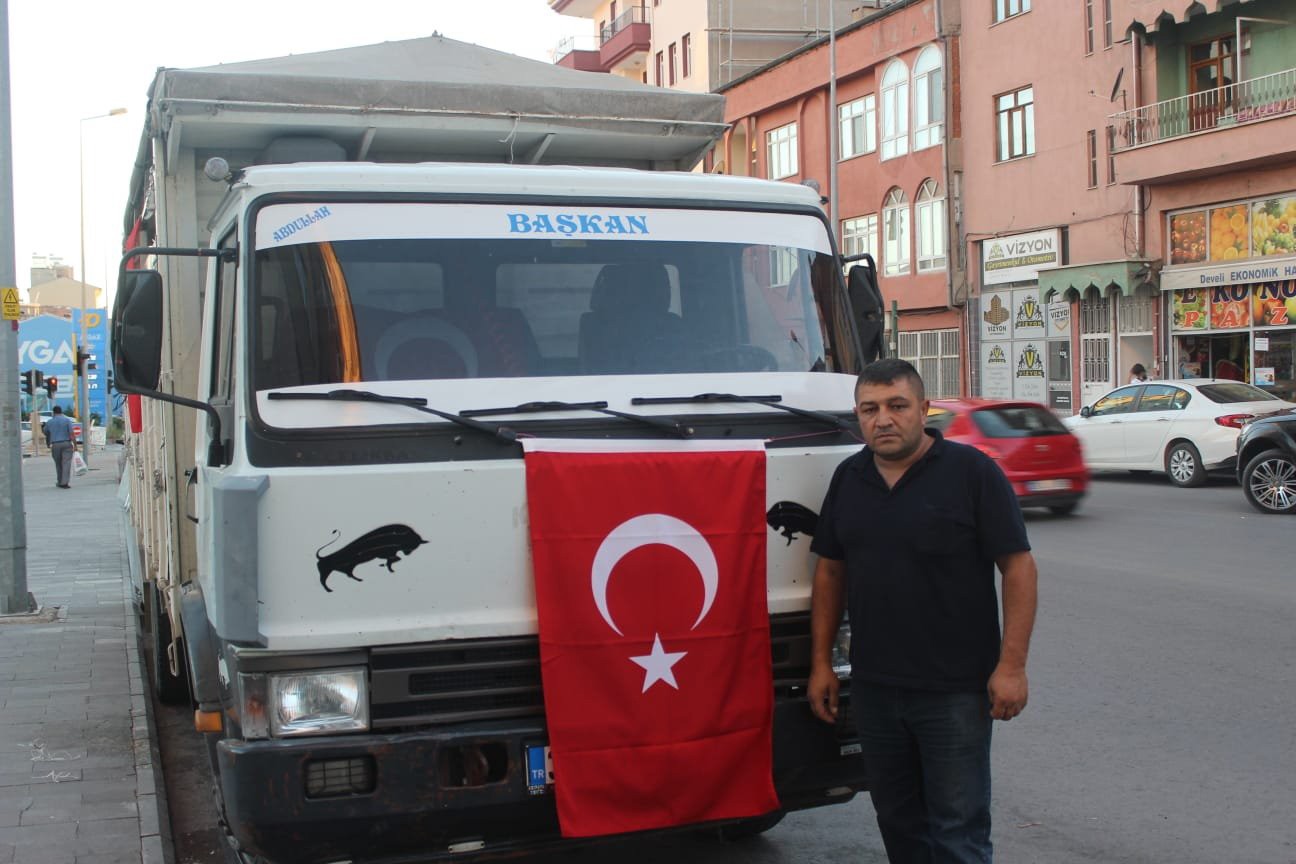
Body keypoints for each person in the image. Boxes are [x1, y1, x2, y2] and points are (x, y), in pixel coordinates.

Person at [807, 358, 1038, 864]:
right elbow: (829, 572)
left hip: (954, 692)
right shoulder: (849, 478)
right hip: (874, 688)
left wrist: (1012, 666)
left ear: (924, 409)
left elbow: (1018, 568)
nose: (882, 419)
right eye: (869, 409)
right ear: (857, 416)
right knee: (898, 823)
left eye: (896, 406)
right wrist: (822, 662)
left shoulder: (972, 473)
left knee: (958, 831)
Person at [43, 405, 76, 489]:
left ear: (54, 413)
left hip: (55, 445)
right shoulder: (67, 420)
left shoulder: (50, 422)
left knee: (58, 464)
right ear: (61, 412)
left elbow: (45, 432)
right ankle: (64, 483)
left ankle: (59, 481)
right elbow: (71, 433)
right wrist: (75, 445)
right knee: (66, 463)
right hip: (66, 444)